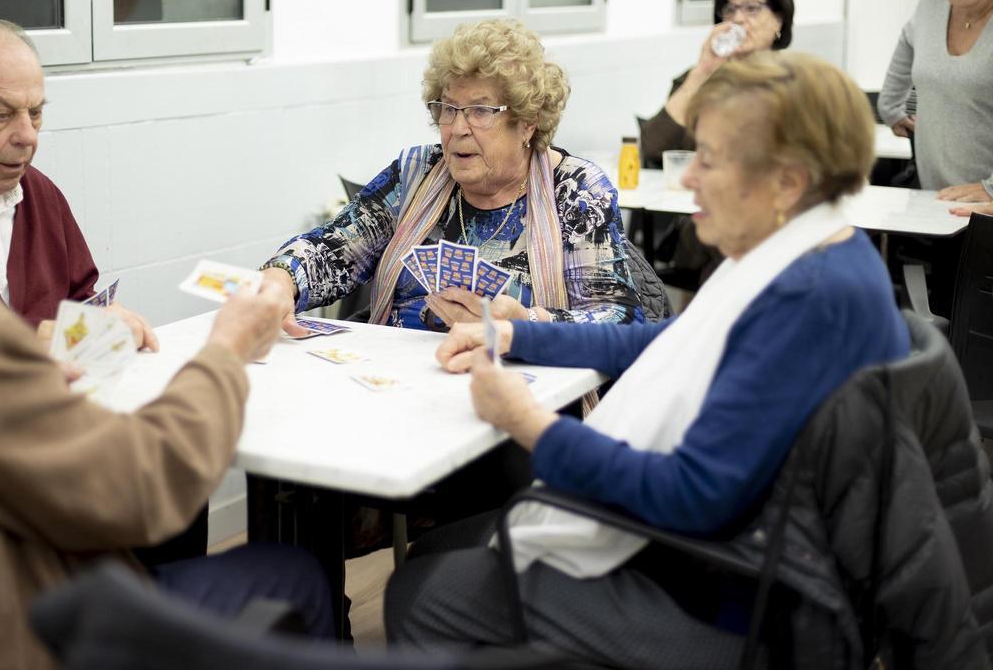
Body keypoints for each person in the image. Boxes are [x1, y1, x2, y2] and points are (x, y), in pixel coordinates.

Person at [0, 16, 331, 669]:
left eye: (37, 115)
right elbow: (141, 487)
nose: (23, 137)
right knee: (295, 573)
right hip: (10, 631)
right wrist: (226, 350)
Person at [384, 51, 916, 667]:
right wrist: (514, 336)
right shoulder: (806, 254)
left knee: (424, 591)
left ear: (788, 182)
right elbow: (660, 339)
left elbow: (691, 494)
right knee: (441, 553)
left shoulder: (808, 299)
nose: (688, 179)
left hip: (748, 604)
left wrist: (528, 423)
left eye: (710, 160)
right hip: (743, 556)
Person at [261, 18, 642, 333]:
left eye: (479, 111)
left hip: (515, 389)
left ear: (526, 123)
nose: (456, 128)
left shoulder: (576, 191)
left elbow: (619, 320)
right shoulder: (417, 173)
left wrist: (525, 323)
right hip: (400, 382)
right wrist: (283, 280)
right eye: (448, 108)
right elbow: (333, 251)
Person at [0, 19, 157, 349]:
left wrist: (106, 323)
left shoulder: (40, 193)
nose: (28, 135)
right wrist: (46, 336)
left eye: (35, 113)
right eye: (2, 115)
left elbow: (79, 299)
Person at [640, 0, 795, 287]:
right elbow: (654, 146)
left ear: (778, 20)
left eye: (752, 9)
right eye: (730, 10)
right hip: (705, 222)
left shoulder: (795, 83)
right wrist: (702, 72)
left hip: (773, 221)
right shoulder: (701, 80)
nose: (738, 19)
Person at [878, 0, 993, 207]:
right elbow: (908, 38)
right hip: (935, 198)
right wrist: (891, 106)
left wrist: (992, 190)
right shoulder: (932, 2)